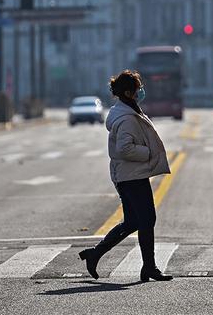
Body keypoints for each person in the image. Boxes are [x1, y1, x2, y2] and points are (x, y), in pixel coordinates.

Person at [78, 70, 173, 282]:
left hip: (129, 176)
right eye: (138, 88)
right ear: (129, 93)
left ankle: (95, 254)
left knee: (133, 222)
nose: (141, 92)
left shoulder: (127, 111)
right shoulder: (127, 118)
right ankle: (149, 267)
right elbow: (124, 148)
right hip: (132, 177)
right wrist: (148, 153)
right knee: (147, 220)